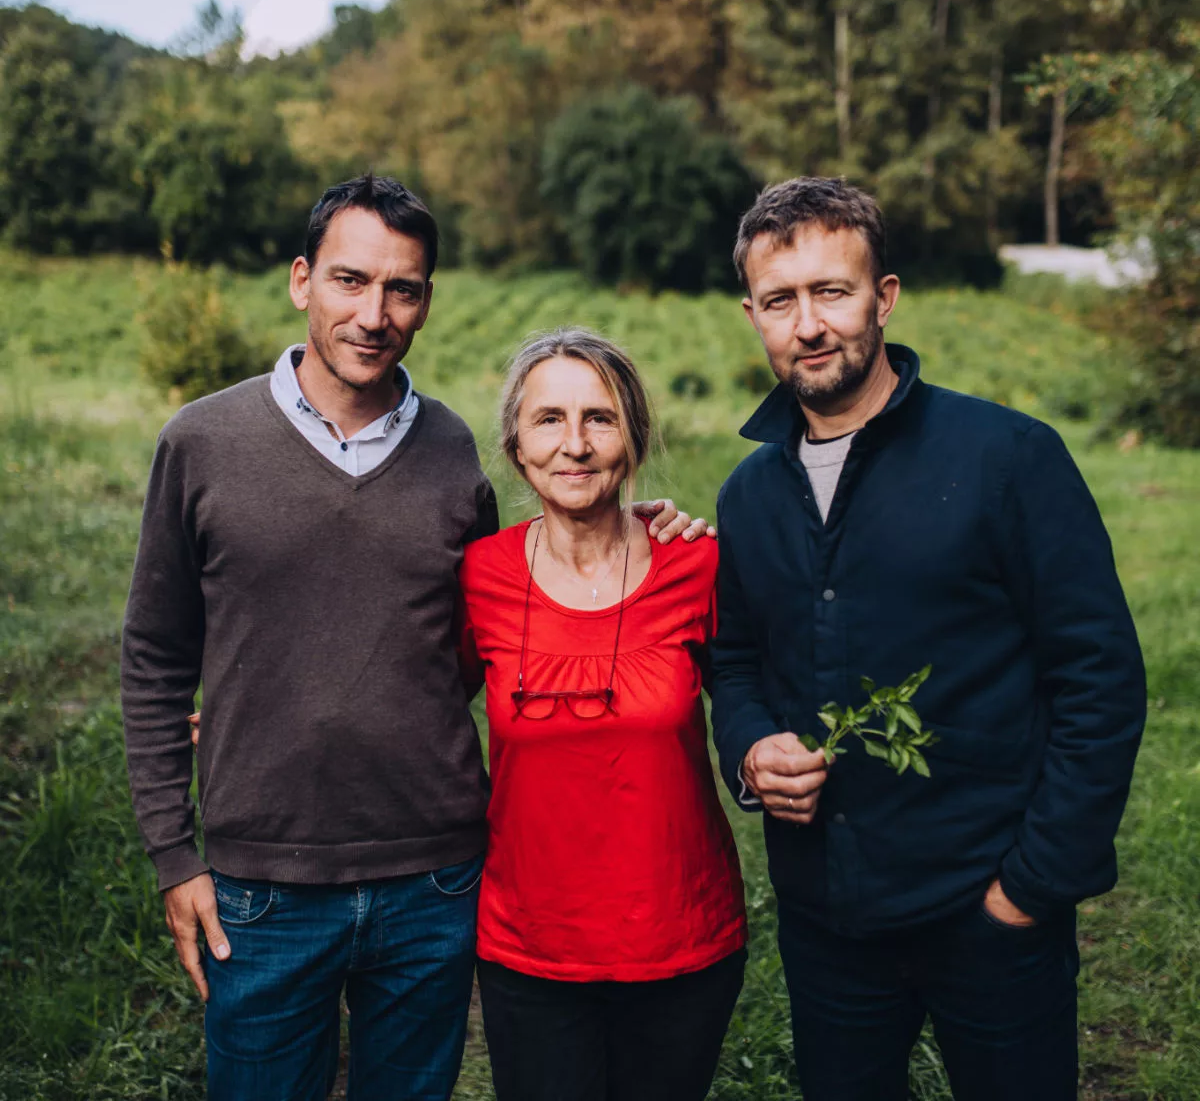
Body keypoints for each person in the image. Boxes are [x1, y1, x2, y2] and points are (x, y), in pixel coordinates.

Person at [120, 173, 707, 1101]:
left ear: (426, 300)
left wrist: (646, 525)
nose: (374, 313)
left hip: (432, 880)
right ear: (301, 280)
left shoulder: (450, 453)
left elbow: (491, 630)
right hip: (263, 883)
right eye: (351, 281)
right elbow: (153, 659)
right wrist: (173, 853)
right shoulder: (203, 442)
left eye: (403, 288)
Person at [709, 176, 1146, 1101]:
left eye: (833, 291)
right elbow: (737, 662)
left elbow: (1099, 677)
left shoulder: (1007, 458)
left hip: (987, 905)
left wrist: (1030, 888)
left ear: (885, 297)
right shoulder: (749, 495)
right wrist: (751, 750)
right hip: (828, 915)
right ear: (753, 314)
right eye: (782, 301)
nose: (809, 324)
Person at [457, 328, 747, 1101]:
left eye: (601, 418)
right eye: (549, 419)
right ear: (516, 443)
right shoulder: (478, 576)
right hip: (529, 950)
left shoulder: (701, 565)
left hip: (682, 944)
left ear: (634, 439)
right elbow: (411, 708)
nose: (575, 445)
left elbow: (761, 710)